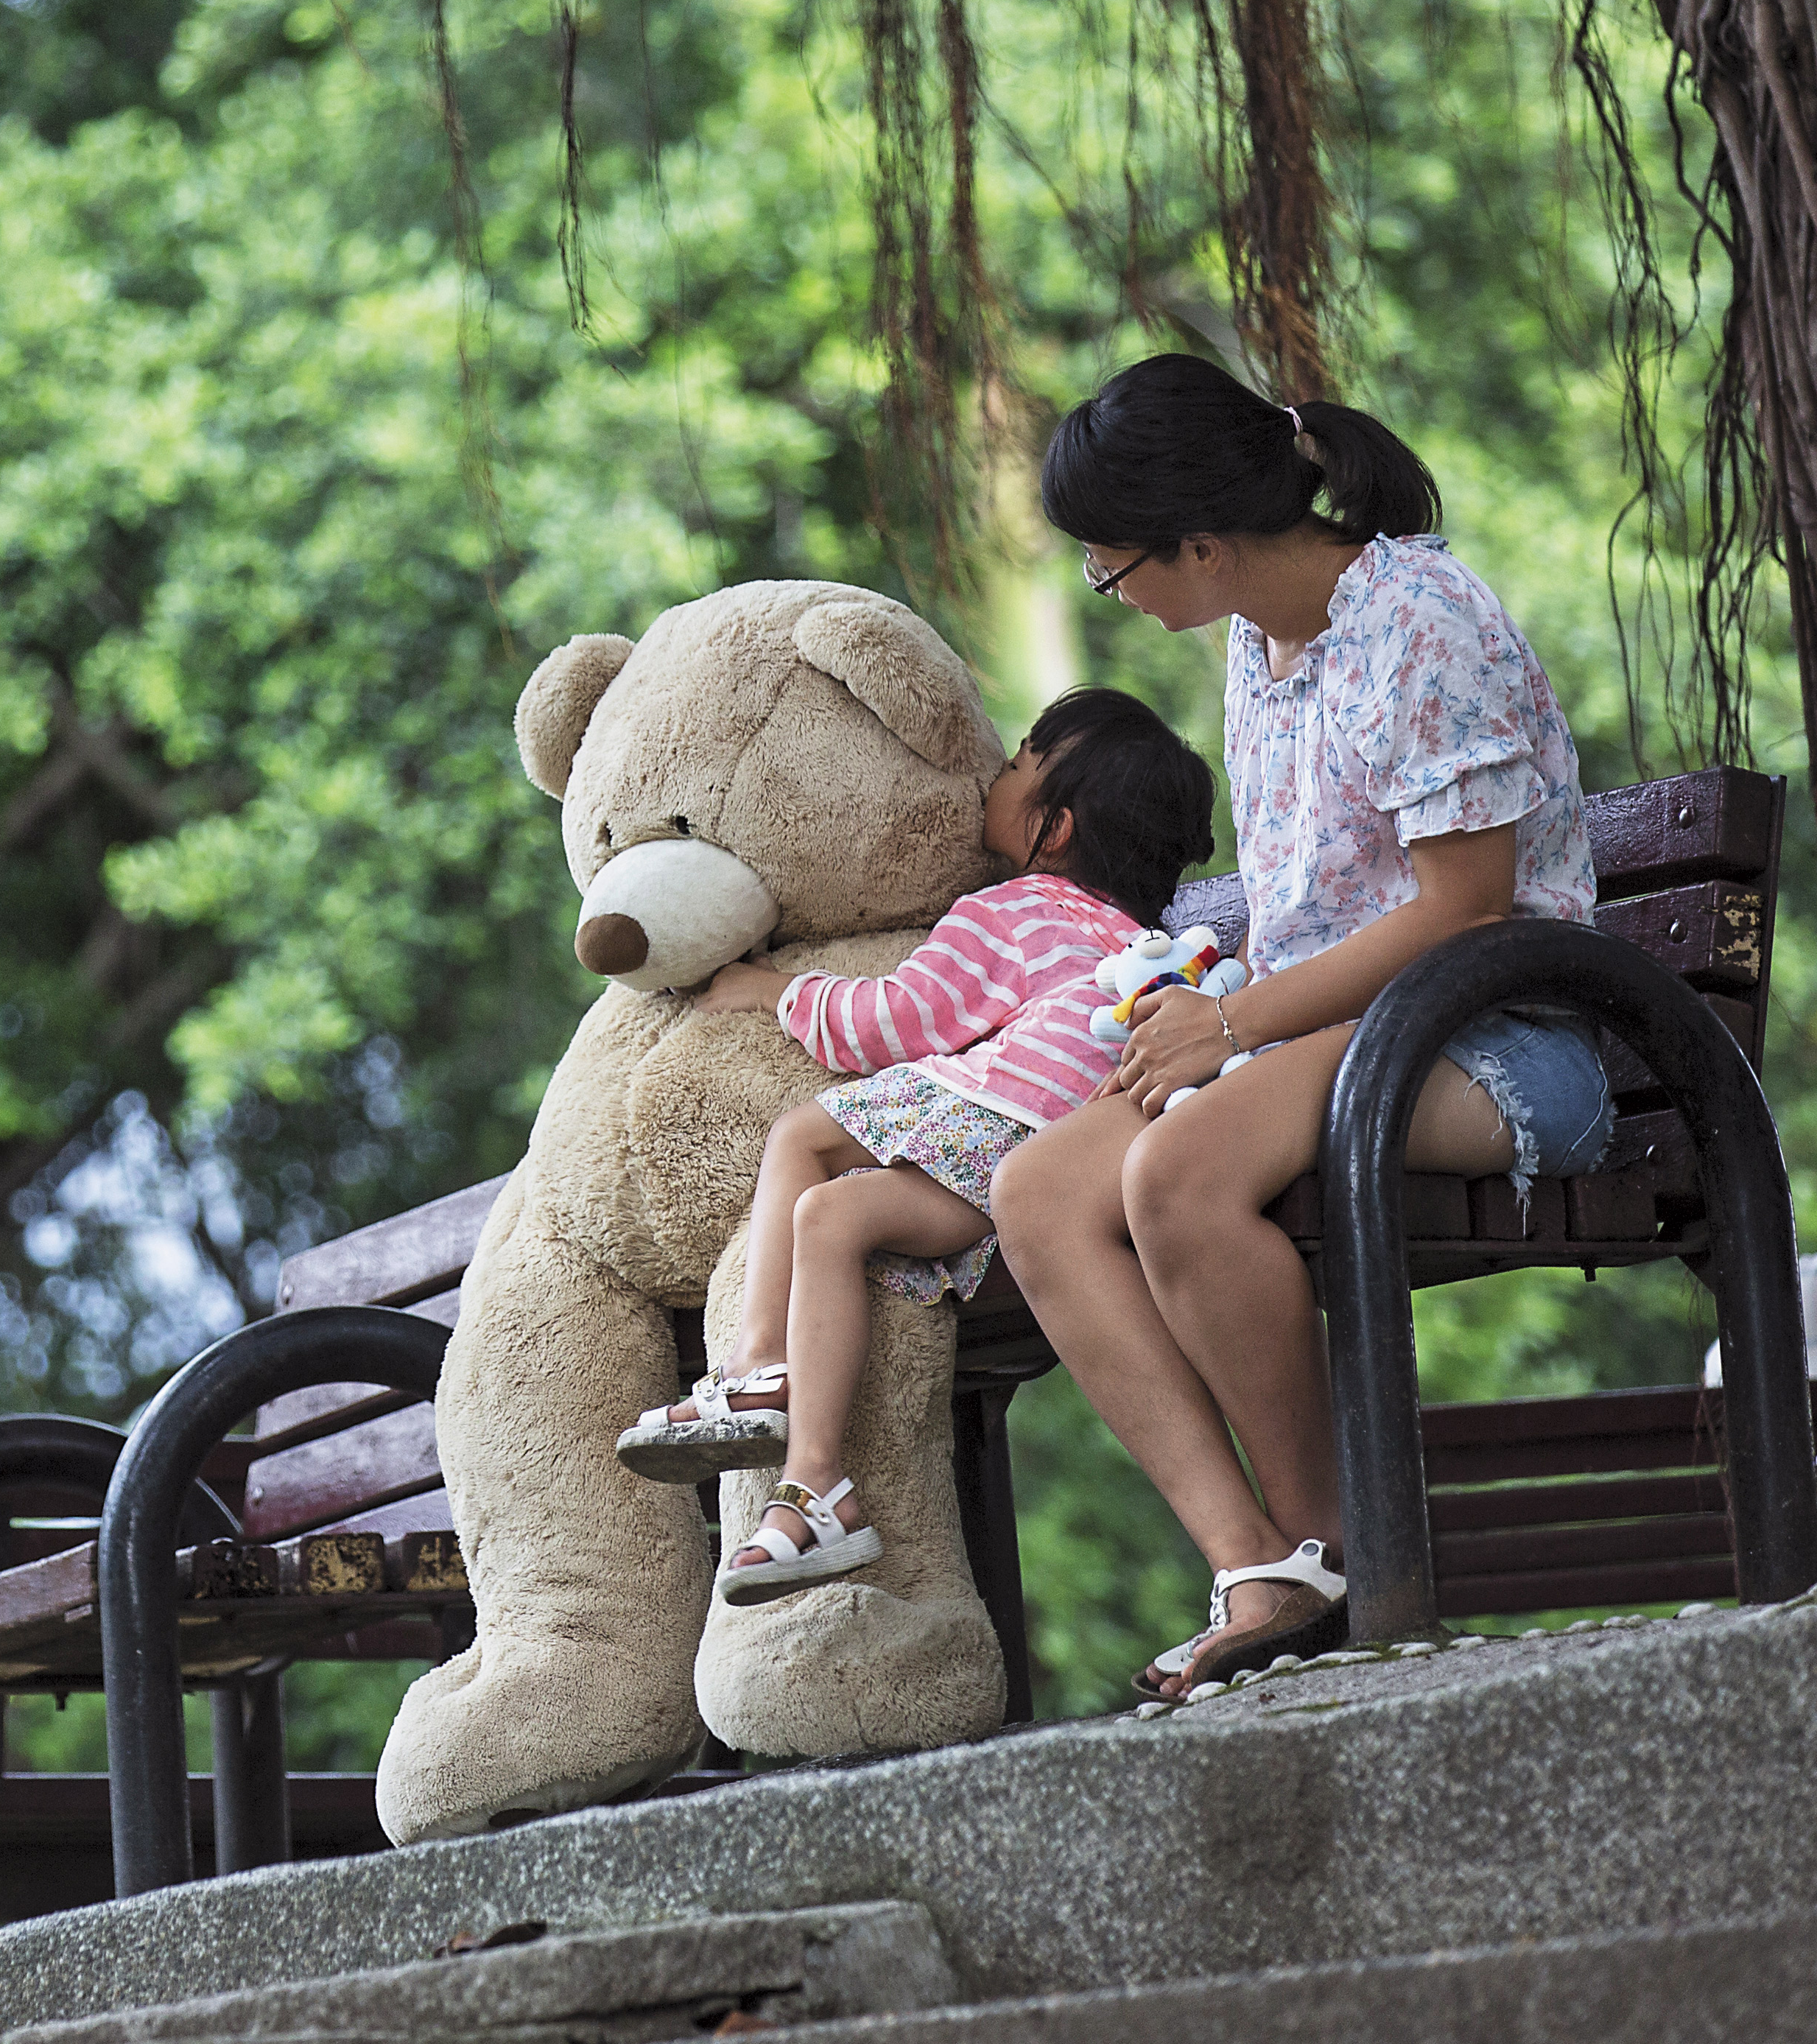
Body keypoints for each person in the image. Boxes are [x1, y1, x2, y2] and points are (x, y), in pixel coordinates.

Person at [992, 356, 1613, 1699]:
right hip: (1332, 1041)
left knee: (1182, 1169)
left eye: (1114, 569)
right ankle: (1263, 1564)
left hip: (1499, 1033)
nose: (1118, 598)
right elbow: (1314, 904)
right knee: (1040, 1188)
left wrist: (1234, 1028)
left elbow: (1466, 905)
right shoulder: (1255, 641)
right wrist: (1196, 997)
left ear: (1202, 545)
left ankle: (1354, 1550)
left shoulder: (1417, 617)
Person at [613, 689, 1215, 1602]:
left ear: (1054, 829)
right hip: (1057, 1159)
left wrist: (771, 991)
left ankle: (755, 1369)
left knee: (805, 1132)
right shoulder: (1145, 941)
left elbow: (893, 1022)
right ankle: (813, 1489)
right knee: (830, 1214)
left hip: (1003, 1131)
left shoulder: (1016, 909)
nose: (997, 773)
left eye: (1018, 763)